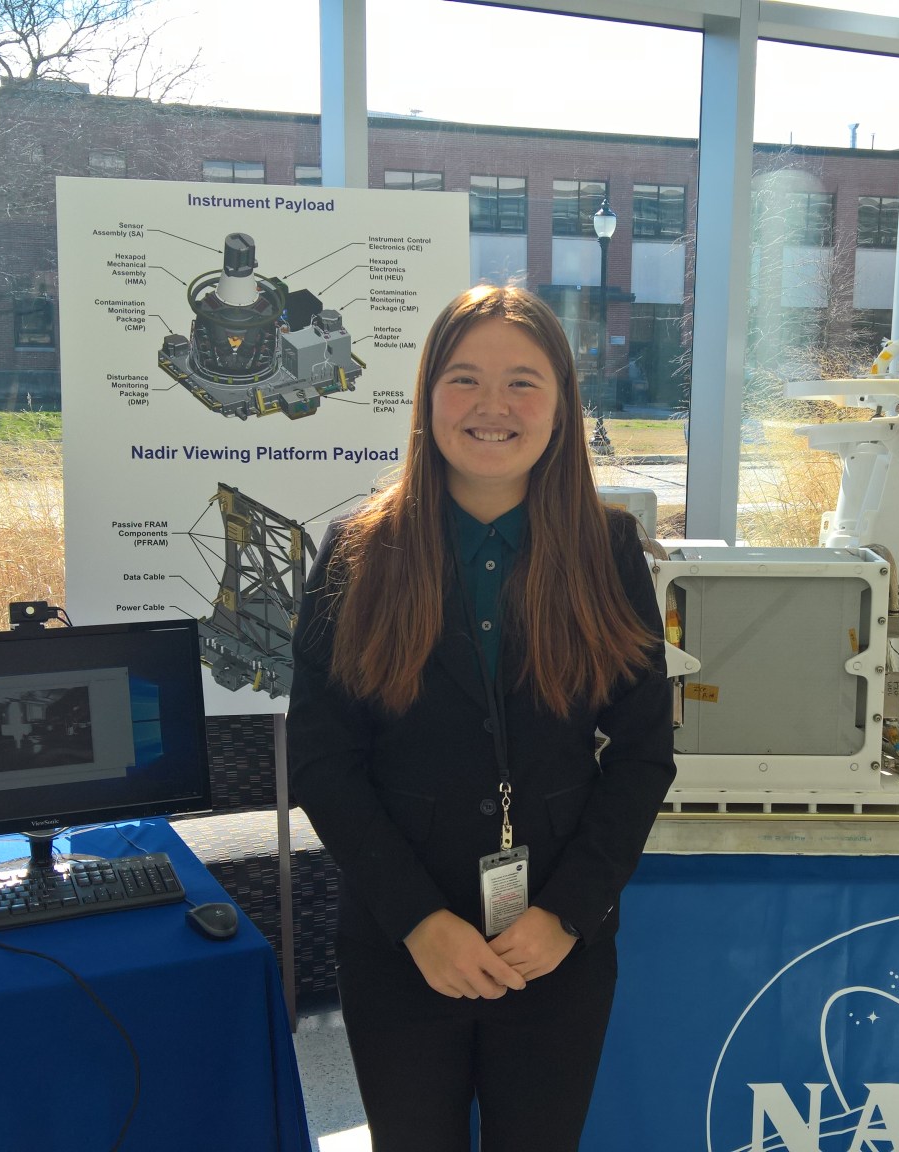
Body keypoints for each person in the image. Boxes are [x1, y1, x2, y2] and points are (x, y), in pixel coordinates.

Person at [287, 285, 675, 1151]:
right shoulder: (359, 553)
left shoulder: (607, 552)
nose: (492, 407)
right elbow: (321, 759)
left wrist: (567, 914)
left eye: (523, 383)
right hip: (403, 939)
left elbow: (645, 755)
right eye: (464, 380)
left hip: (554, 942)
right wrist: (420, 924)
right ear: (427, 400)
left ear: (563, 408)